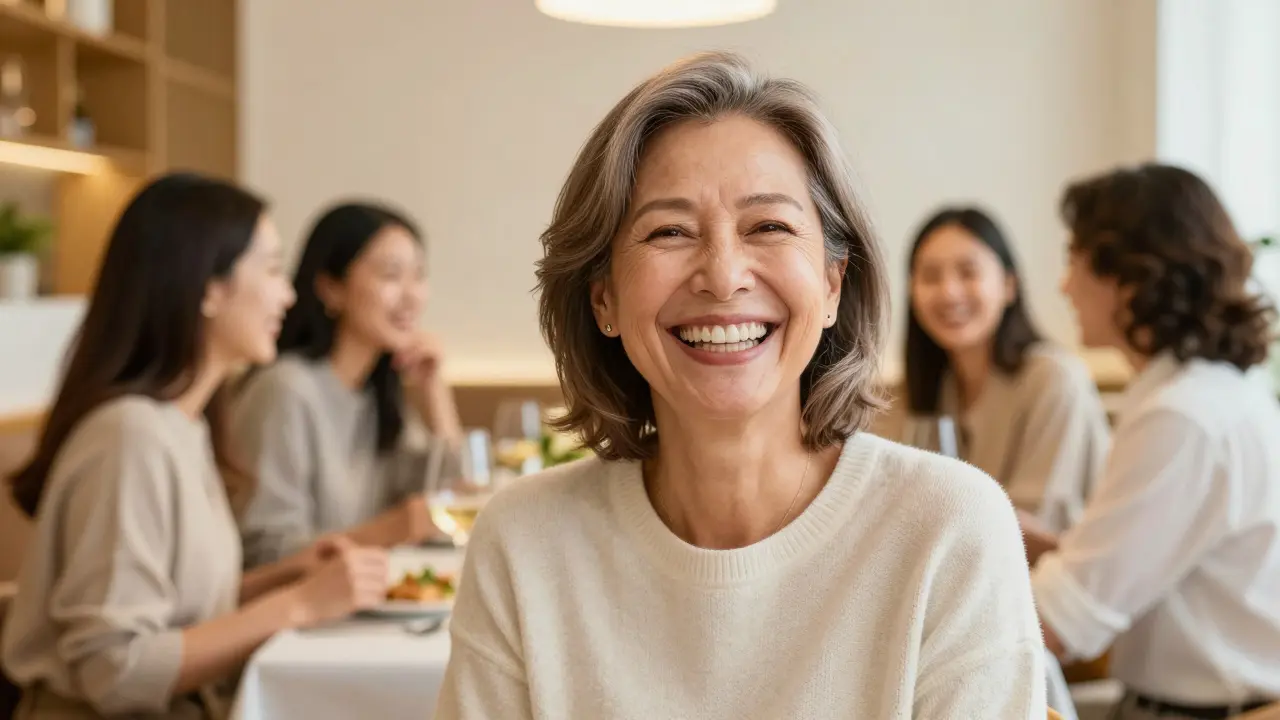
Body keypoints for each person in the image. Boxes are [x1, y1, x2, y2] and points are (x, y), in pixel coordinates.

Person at [432, 51, 1045, 719]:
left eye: (769, 227)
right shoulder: (523, 544)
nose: (723, 278)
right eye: (669, 231)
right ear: (603, 296)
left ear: (833, 284)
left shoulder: (948, 528)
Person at [1, 174, 390, 719]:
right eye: (273, 270)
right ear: (209, 287)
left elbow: (176, 614)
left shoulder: (182, 427)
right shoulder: (130, 439)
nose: (289, 294)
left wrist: (288, 574)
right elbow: (117, 669)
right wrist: (297, 605)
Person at [1028, 164, 1280, 719]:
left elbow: (1063, 621)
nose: (1064, 284)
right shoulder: (1213, 392)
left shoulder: (1181, 418)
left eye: (1075, 259)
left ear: (1132, 276)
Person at [232, 202, 462, 568]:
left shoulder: (377, 390)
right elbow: (262, 553)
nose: (412, 295)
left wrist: (435, 391)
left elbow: (451, 500)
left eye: (418, 275)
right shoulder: (285, 390)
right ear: (330, 288)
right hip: (297, 620)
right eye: (391, 275)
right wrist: (389, 530)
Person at [892, 206, 1110, 533]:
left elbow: (1040, 526)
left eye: (968, 273)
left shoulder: (1053, 379)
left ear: (1009, 285)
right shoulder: (919, 389)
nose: (949, 292)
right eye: (931, 276)